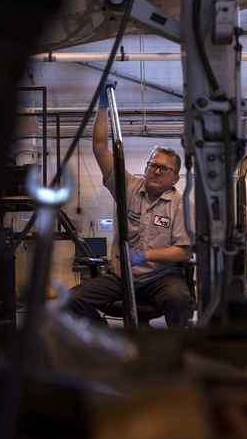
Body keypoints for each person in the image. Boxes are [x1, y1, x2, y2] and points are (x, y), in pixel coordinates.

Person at [65, 88, 196, 330]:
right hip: (121, 277)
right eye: (152, 165)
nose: (156, 171)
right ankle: (106, 339)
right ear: (145, 168)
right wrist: (102, 106)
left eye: (164, 169)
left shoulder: (181, 204)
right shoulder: (129, 188)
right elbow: (99, 148)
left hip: (162, 277)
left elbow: (184, 252)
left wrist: (145, 255)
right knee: (70, 301)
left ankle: (180, 351)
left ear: (175, 179)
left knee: (179, 300)